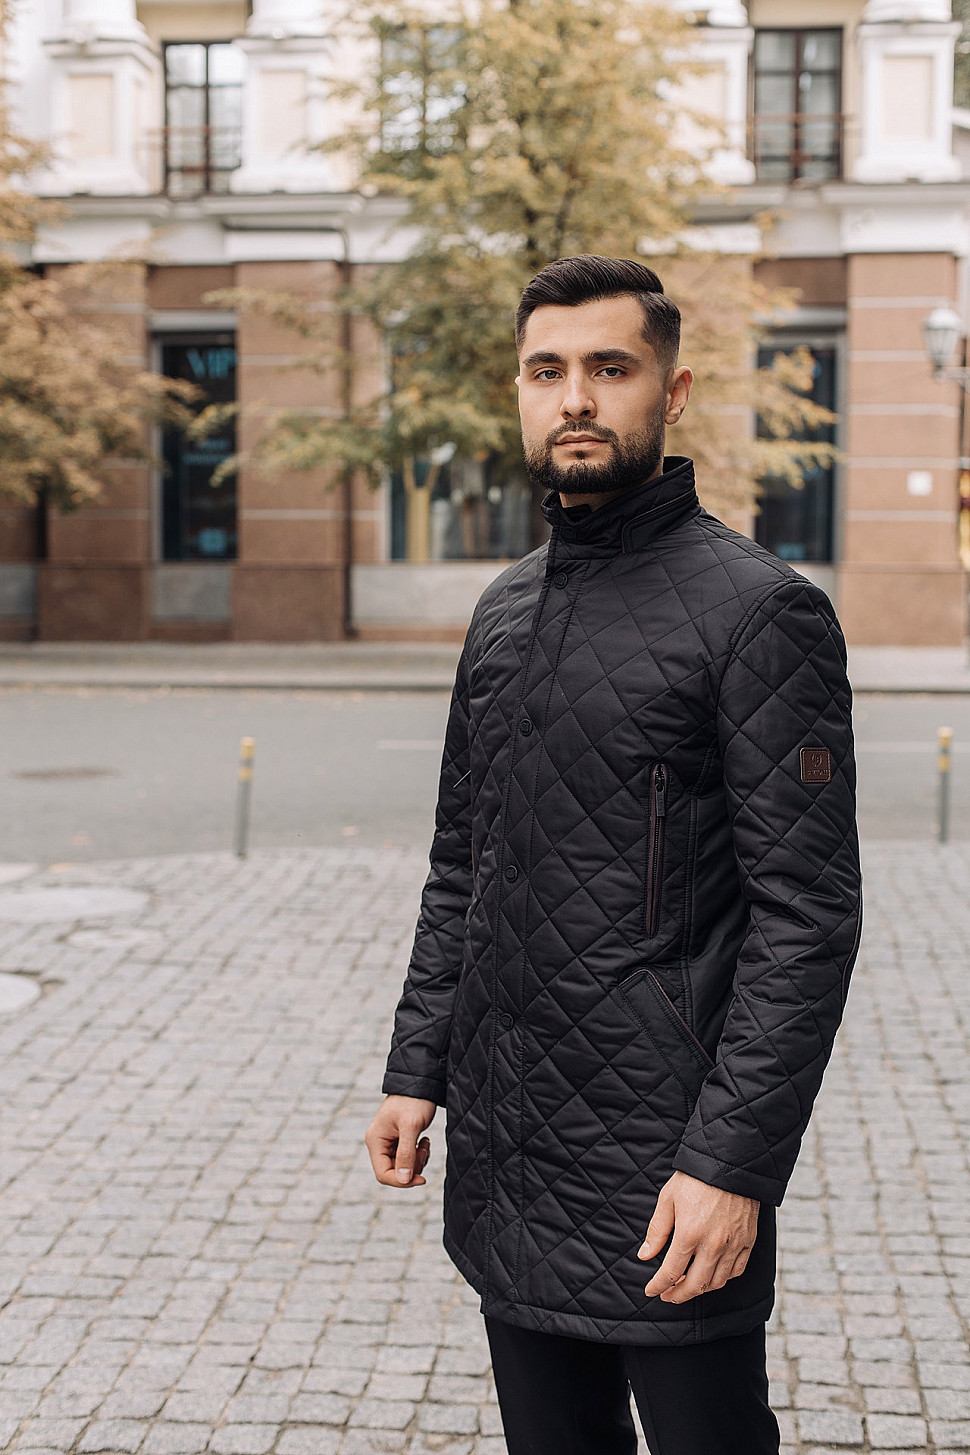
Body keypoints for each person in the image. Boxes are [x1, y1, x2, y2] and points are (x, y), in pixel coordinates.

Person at [365, 254, 862, 1455]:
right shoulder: (504, 611)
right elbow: (461, 865)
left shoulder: (760, 613)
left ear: (670, 391)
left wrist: (730, 1167)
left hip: (666, 1169)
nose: (575, 398)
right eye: (547, 371)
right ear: (519, 392)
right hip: (511, 1153)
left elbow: (806, 919)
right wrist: (416, 1066)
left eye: (608, 368)